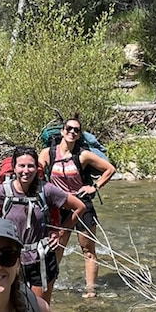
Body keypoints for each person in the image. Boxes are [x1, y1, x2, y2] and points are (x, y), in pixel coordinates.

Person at [0, 146, 85, 301]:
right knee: (12, 309)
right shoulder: (2, 192)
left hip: (41, 257)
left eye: (31, 166)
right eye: (22, 166)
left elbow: (79, 207)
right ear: (14, 167)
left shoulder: (47, 190)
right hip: (11, 259)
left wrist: (61, 231)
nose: (26, 170)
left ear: (37, 168)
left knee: (40, 309)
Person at [39, 117, 116, 299]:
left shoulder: (84, 155)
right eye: (69, 129)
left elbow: (110, 169)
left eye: (76, 130)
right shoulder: (48, 153)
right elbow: (39, 173)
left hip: (82, 204)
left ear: (80, 134)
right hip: (59, 206)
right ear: (62, 131)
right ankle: (50, 285)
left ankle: (91, 291)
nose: (72, 132)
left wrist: (94, 187)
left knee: (88, 250)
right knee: (57, 246)